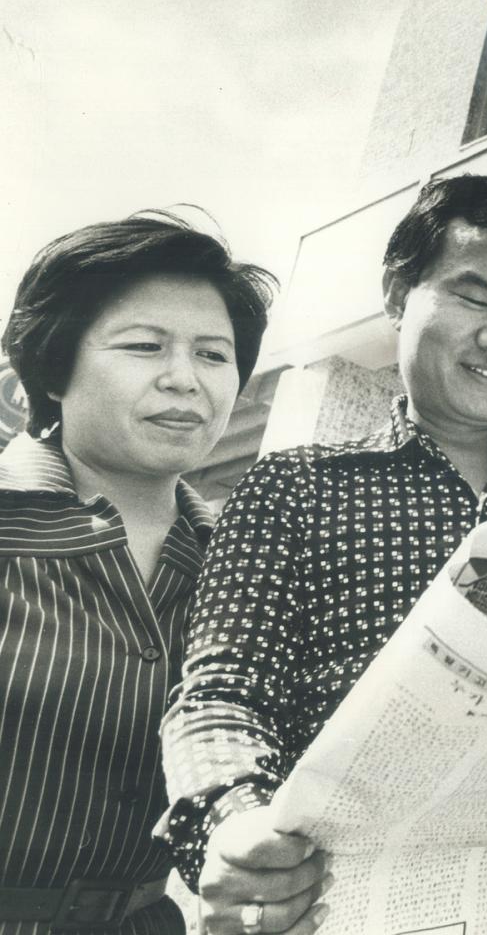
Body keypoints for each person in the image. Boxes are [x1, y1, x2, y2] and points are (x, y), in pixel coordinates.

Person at [158, 175, 487, 934]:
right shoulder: (294, 489)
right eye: (473, 300)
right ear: (399, 296)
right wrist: (236, 822)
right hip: (347, 904)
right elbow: (222, 694)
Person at [0, 214, 274, 934]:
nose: (184, 379)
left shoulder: (249, 562)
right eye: (145, 346)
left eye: (213, 355)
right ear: (54, 368)